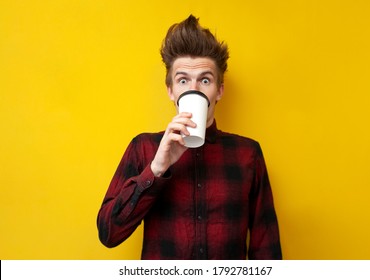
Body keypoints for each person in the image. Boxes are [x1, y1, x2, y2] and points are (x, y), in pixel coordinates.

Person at [97, 15, 282, 260]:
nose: (194, 89)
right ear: (171, 91)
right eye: (183, 80)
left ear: (219, 90)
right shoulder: (143, 148)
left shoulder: (247, 154)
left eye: (205, 80)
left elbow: (266, 247)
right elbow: (108, 233)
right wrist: (156, 169)